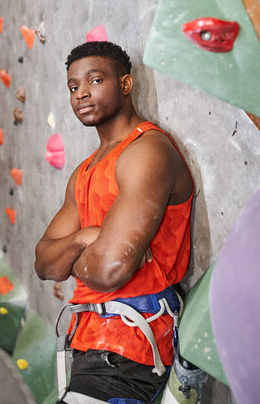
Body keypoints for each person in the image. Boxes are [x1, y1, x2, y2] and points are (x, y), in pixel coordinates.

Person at [35, 42, 194, 404]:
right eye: (74, 87)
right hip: (87, 339)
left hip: (131, 347)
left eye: (95, 80)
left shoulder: (147, 151)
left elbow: (109, 269)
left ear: (125, 84)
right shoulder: (85, 170)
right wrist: (84, 239)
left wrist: (80, 251)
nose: (82, 93)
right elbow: (44, 263)